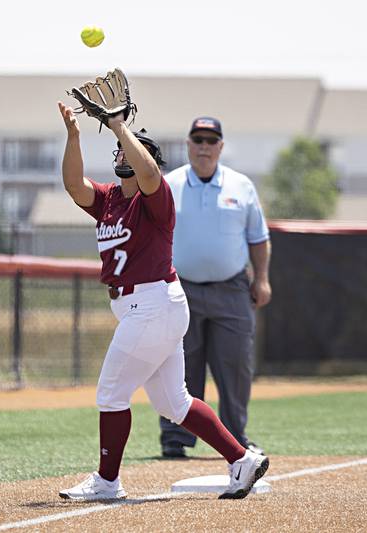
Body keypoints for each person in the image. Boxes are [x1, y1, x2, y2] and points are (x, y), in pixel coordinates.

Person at [55, 101, 269, 500]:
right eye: (120, 147)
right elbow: (73, 185)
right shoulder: (109, 200)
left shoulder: (155, 198)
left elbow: (151, 173)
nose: (119, 152)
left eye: (127, 148)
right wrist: (73, 136)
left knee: (111, 393)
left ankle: (107, 481)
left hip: (151, 306)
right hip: (153, 308)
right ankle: (242, 460)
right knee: (175, 403)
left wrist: (121, 129)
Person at [159, 117, 272, 459]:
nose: (204, 146)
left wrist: (262, 277)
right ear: (188, 144)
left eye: (211, 140)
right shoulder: (168, 184)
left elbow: (258, 237)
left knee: (235, 364)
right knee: (179, 363)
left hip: (232, 288)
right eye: (198, 139)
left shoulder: (241, 186)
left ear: (221, 146)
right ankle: (176, 438)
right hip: (180, 288)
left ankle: (236, 437)